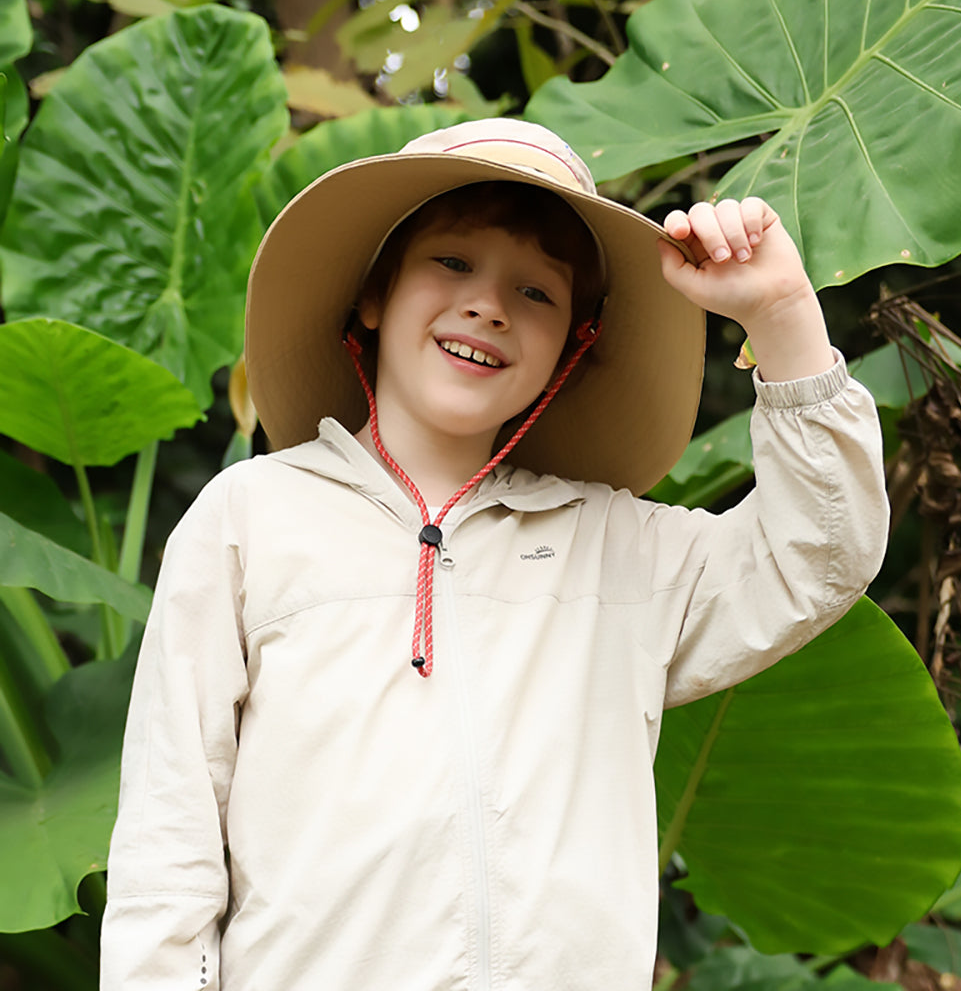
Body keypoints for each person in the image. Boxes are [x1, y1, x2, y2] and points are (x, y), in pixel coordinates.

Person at [100, 118, 889, 990]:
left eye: (537, 293)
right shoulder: (249, 518)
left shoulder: (619, 549)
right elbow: (167, 847)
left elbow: (820, 553)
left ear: (573, 348)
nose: (489, 306)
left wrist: (781, 316)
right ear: (374, 296)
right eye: (451, 262)